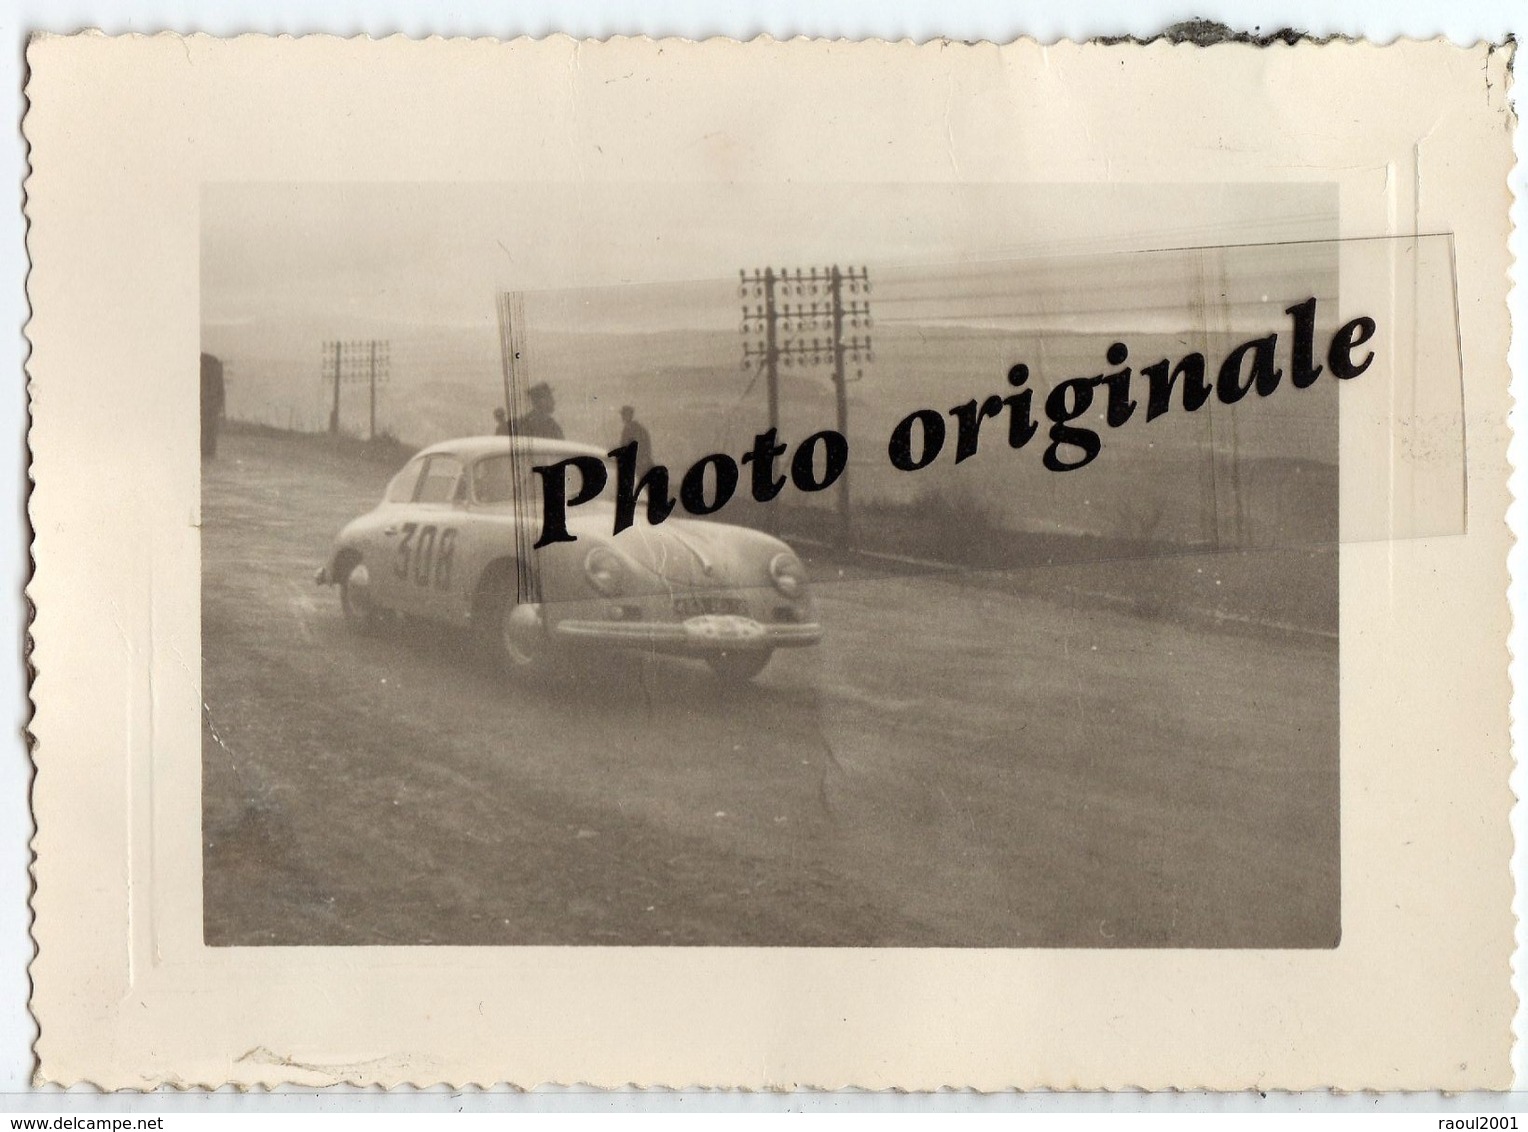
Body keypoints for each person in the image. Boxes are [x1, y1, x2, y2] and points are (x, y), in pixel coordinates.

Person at [200, 352, 225, 459]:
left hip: (209, 401)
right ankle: (208, 451)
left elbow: (220, 390)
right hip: (210, 401)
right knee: (209, 426)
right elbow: (220, 390)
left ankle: (208, 451)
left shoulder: (210, 363)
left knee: (208, 426)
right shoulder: (212, 363)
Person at [618, 405, 653, 478]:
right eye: (623, 415)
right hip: (640, 463)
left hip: (638, 464)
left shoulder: (632, 429)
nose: (622, 417)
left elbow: (639, 447)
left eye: (624, 415)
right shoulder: (635, 429)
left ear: (629, 415)